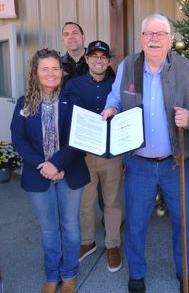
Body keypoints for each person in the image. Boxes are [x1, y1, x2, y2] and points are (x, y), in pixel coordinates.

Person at [102, 13, 189, 293]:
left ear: (170, 39)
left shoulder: (187, 69)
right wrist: (112, 109)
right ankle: (137, 274)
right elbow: (115, 97)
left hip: (176, 163)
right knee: (136, 224)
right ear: (141, 38)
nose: (153, 39)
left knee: (184, 223)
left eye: (160, 34)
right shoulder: (128, 66)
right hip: (138, 164)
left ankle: (184, 271)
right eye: (148, 34)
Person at [10, 49, 90, 293]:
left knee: (71, 227)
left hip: (69, 172)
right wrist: (43, 166)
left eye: (55, 68)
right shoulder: (25, 103)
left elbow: (79, 138)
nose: (51, 73)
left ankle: (69, 274)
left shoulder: (72, 99)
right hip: (39, 174)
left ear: (61, 71)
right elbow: (19, 139)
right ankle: (52, 275)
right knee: (48, 229)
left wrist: (57, 163)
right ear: (35, 72)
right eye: (45, 68)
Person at [64, 40, 123, 272]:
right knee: (85, 203)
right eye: (94, 56)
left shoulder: (116, 87)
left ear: (108, 61)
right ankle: (87, 241)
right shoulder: (72, 85)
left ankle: (113, 245)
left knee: (112, 202)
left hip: (111, 155)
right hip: (82, 156)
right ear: (87, 59)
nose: (98, 60)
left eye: (103, 57)